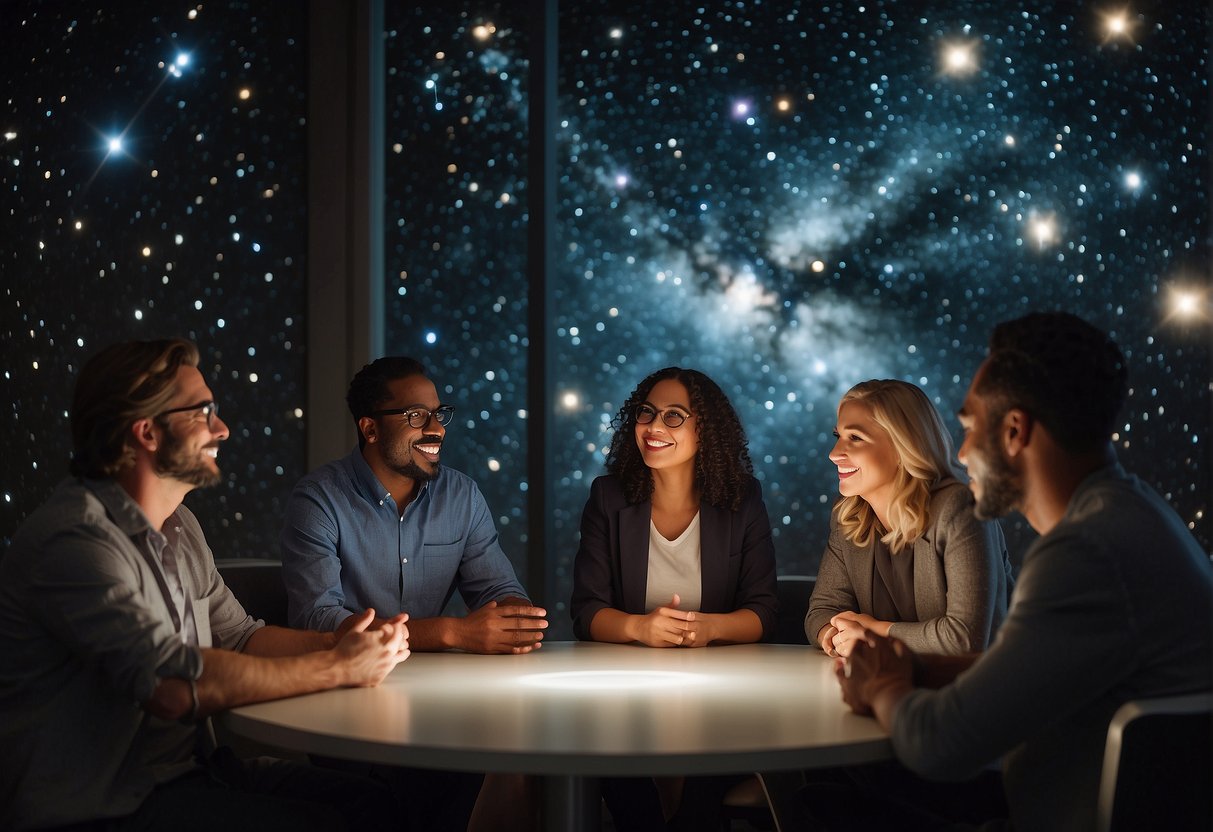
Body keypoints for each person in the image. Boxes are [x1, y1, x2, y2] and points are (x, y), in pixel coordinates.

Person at [0, 339, 410, 832]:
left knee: (378, 807)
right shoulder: (75, 539)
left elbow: (240, 637)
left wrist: (339, 640)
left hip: (191, 773)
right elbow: (171, 687)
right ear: (147, 432)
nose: (223, 428)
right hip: (103, 807)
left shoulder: (180, 526)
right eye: (203, 412)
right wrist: (337, 667)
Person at [836, 312, 1213, 831]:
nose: (962, 454)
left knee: (827, 802)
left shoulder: (1085, 555)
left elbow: (937, 747)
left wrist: (881, 688)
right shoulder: (1133, 513)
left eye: (968, 427)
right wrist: (912, 668)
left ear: (1015, 430)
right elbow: (1031, 669)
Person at [280, 355, 546, 831]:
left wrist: (514, 617)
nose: (436, 429)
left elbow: (499, 588)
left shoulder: (461, 496)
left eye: (438, 414)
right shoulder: (318, 500)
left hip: (437, 704)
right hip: (347, 704)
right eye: (415, 416)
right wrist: (453, 633)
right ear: (370, 428)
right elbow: (318, 621)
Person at [570, 366, 778, 831]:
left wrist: (711, 628)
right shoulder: (608, 497)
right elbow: (586, 612)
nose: (654, 427)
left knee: (698, 804)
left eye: (674, 416)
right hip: (627, 689)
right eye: (646, 413)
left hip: (719, 691)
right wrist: (638, 628)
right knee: (627, 787)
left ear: (706, 431)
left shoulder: (743, 500)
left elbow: (764, 611)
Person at [806, 379, 1013, 658]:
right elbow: (821, 611)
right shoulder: (848, 515)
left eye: (855, 438)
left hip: (989, 689)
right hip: (896, 686)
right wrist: (836, 635)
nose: (834, 454)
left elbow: (965, 638)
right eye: (838, 437)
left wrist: (875, 632)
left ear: (904, 446)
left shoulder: (961, 509)